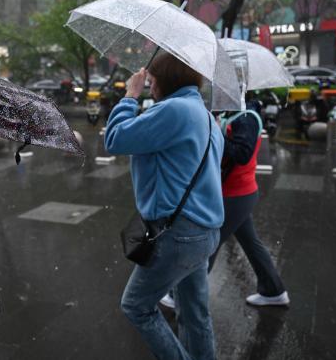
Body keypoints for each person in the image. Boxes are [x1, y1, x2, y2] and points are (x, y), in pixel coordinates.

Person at [105, 51, 224, 360]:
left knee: (137, 306)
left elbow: (116, 138)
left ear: (166, 79)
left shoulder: (174, 110)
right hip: (205, 231)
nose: (150, 85)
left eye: (153, 80)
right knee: (194, 313)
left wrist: (130, 96)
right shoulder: (206, 116)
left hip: (178, 234)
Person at [161, 99, 289, 310]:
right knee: (251, 243)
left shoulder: (246, 117)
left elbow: (241, 154)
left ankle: (181, 298)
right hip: (235, 193)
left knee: (207, 246)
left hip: (236, 194)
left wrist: (214, 132)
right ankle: (274, 290)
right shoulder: (235, 113)